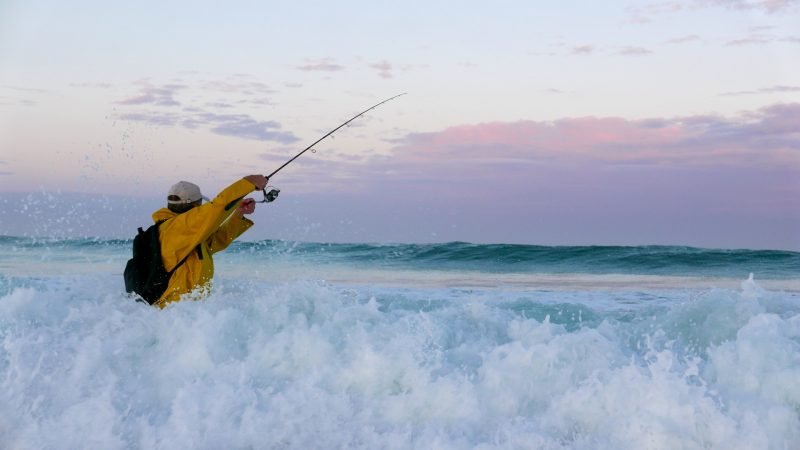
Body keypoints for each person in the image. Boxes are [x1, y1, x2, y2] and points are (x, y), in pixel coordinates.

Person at [149, 174, 267, 308]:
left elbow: (216, 241)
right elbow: (217, 207)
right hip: (174, 311)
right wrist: (247, 183)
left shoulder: (186, 234)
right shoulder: (178, 228)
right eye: (200, 206)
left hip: (187, 312)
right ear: (194, 206)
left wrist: (238, 214)